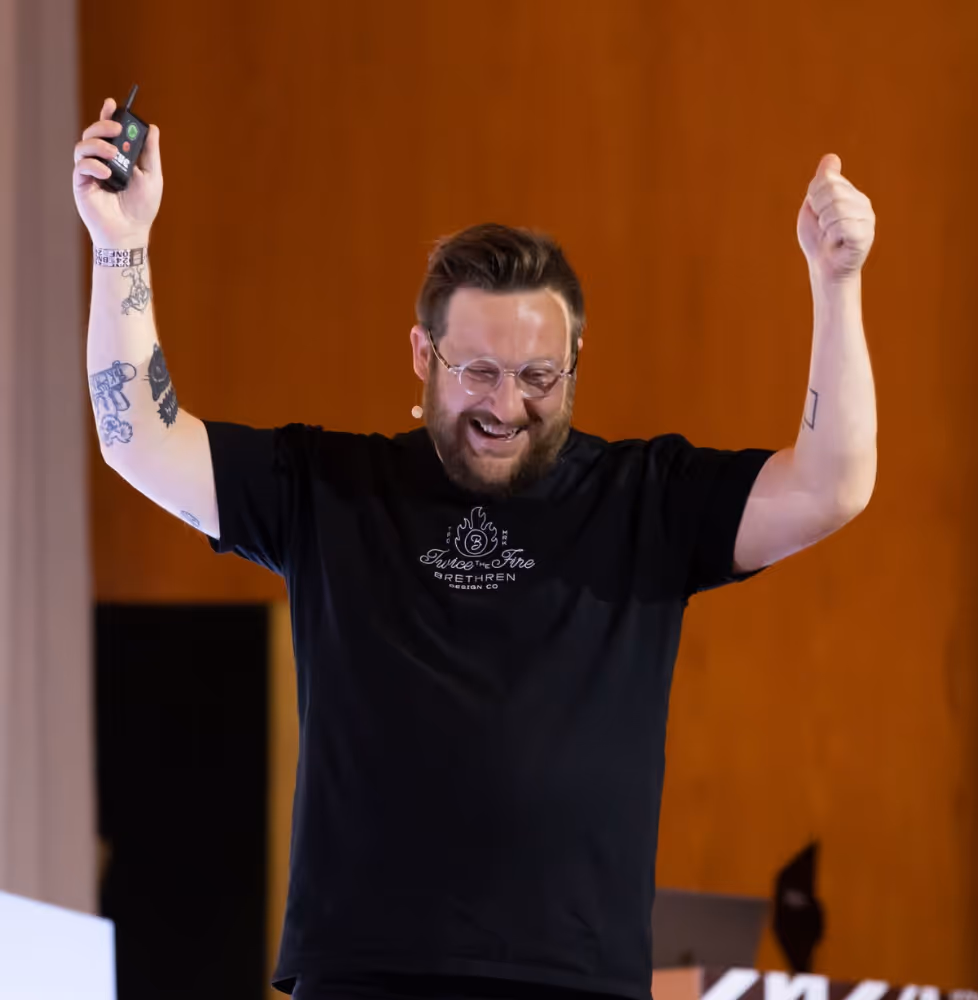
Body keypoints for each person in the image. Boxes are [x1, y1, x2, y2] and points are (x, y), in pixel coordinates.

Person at [73, 98, 877, 1000]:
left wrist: (836, 285)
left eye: (539, 376)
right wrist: (120, 245)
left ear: (576, 360)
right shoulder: (331, 490)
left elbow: (830, 488)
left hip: (575, 981)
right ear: (423, 355)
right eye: (479, 372)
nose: (507, 405)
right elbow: (140, 440)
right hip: (364, 976)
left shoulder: (643, 499)